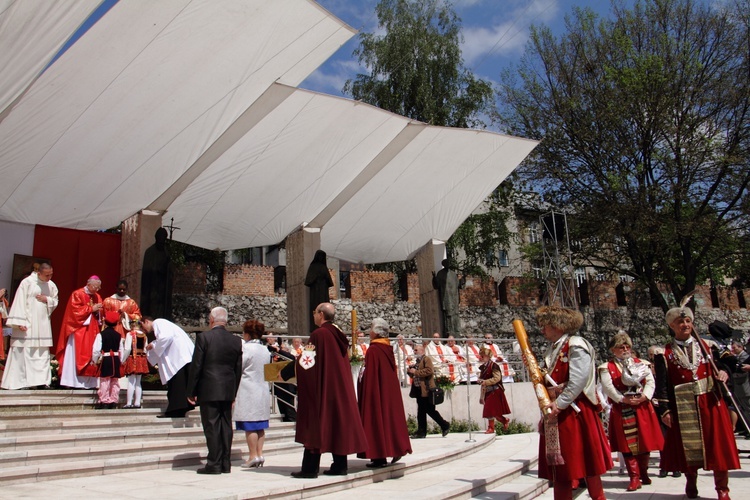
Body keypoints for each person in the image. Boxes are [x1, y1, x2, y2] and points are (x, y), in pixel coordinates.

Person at [653, 305, 739, 500]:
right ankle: (691, 482)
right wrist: (665, 410)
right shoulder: (664, 353)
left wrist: (724, 373)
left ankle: (722, 490)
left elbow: (725, 367)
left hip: (709, 402)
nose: (685, 325)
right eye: (680, 322)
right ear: (672, 326)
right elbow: (663, 384)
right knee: (687, 448)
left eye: (688, 321)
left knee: (717, 446)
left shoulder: (708, 347)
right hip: (683, 405)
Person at [280, 302, 366, 478]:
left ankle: (310, 469)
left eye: (314, 312)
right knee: (337, 425)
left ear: (320, 314)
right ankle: (340, 466)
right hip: (339, 387)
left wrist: (285, 372)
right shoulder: (339, 334)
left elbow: (306, 361)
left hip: (323, 388)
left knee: (315, 423)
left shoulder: (319, 334)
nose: (313, 316)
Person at [535, 305, 612, 500]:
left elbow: (578, 380)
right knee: (561, 469)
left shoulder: (576, 344)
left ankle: (599, 497)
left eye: (545, 325)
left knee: (587, 462)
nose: (542, 330)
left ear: (558, 325)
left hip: (575, 411)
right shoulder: (553, 348)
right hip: (557, 411)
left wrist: (560, 403)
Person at [598, 331, 664, 491]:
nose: (625, 349)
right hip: (623, 406)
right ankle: (634, 477)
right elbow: (608, 387)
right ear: (613, 349)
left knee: (645, 441)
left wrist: (644, 396)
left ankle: (643, 472)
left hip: (642, 406)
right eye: (621, 347)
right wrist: (623, 399)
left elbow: (650, 381)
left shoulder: (641, 363)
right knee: (627, 444)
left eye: (627, 346)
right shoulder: (607, 367)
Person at [186, 307, 242, 474]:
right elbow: (237, 369)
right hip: (227, 389)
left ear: (211, 320)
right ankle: (226, 462)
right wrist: (234, 392)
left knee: (211, 425)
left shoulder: (204, 337)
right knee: (226, 425)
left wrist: (191, 390)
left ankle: (214, 463)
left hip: (209, 387)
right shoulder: (235, 340)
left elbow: (197, 366)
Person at [357, 318, 412, 467]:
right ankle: (394, 448)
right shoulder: (387, 348)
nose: (369, 332)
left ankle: (378, 455)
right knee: (389, 418)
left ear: (375, 332)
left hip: (376, 391)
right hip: (388, 389)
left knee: (376, 419)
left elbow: (371, 373)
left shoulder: (374, 349)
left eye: (371, 329)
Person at [1, 264, 58, 389]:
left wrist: (47, 299)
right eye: (47, 275)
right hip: (28, 325)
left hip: (42, 326)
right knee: (23, 352)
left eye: (51, 274)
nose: (49, 277)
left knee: (41, 353)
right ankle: (21, 382)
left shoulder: (51, 285)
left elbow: (55, 300)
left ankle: (41, 382)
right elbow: (19, 301)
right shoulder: (27, 283)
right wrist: (19, 322)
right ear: (39, 273)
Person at [234, 319, 271, 469]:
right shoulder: (265, 350)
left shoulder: (246, 349)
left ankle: (252, 455)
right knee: (260, 425)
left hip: (248, 388)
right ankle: (260, 453)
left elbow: (239, 367)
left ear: (247, 334)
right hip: (262, 387)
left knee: (250, 424)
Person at [142, 316, 195, 418]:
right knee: (180, 384)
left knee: (176, 384)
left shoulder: (158, 322)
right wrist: (154, 345)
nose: (144, 330)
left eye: (143, 326)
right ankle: (180, 409)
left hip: (178, 358)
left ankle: (174, 411)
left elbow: (166, 337)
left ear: (146, 321)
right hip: (181, 357)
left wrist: (153, 345)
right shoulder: (166, 324)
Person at [56, 275, 103, 389]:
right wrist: (91, 309)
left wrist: (99, 312)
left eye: (99, 287)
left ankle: (89, 383)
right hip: (79, 330)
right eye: (95, 287)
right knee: (76, 354)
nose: (97, 290)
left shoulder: (97, 296)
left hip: (93, 330)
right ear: (88, 284)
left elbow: (100, 313)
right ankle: (72, 381)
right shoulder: (77, 294)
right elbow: (74, 313)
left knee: (93, 352)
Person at [407, 343, 451, 439]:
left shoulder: (426, 359)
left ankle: (444, 425)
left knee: (430, 410)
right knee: (421, 411)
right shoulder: (418, 362)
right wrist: (410, 372)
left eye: (416, 350)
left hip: (427, 390)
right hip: (419, 390)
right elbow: (415, 375)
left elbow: (429, 371)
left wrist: (416, 372)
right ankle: (421, 431)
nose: (414, 352)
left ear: (422, 351)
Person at [91, 311, 124, 409]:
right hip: (116, 359)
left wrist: (94, 360)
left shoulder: (101, 334)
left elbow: (96, 350)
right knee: (114, 380)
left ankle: (104, 400)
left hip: (106, 358)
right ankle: (113, 400)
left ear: (105, 322)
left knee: (105, 380)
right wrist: (121, 360)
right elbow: (121, 349)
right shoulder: (118, 336)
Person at [140, 227, 173, 320]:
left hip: (163, 289)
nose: (162, 241)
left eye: (163, 239)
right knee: (152, 311)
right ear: (156, 238)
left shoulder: (166, 252)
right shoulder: (150, 252)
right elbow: (148, 271)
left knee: (163, 312)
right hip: (152, 289)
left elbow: (170, 271)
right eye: (160, 238)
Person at [478, 346, 511, 433]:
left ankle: (491, 428)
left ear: (488, 357)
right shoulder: (483, 367)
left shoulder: (494, 366)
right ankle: (504, 420)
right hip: (487, 391)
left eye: (483, 356)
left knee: (490, 410)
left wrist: (486, 382)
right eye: (481, 355)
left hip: (495, 390)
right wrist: (480, 382)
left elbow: (497, 378)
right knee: (493, 411)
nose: (481, 357)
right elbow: (482, 379)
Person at [266, 334, 297, 422]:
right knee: (283, 410)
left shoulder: (288, 356)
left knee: (290, 411)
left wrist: (279, 351)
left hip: (288, 387)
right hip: (278, 386)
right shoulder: (276, 357)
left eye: (283, 349)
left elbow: (291, 358)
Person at [121, 319, 149, 408]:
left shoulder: (130, 334)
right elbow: (145, 349)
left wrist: (123, 359)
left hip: (133, 358)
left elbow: (128, 348)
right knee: (138, 382)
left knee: (131, 381)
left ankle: (129, 402)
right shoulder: (144, 335)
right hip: (141, 358)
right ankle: (137, 402)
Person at [304, 250, 333, 332]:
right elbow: (330, 282)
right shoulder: (324, 267)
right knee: (324, 310)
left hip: (315, 294)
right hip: (323, 293)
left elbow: (308, 281)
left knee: (316, 310)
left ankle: (314, 327)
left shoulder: (312, 266)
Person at [432, 259, 460, 335]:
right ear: (444, 264)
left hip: (454, 298)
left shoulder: (453, 274)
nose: (448, 264)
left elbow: (458, 285)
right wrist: (434, 278)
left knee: (455, 316)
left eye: (448, 263)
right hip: (446, 298)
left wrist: (462, 281)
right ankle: (449, 332)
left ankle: (456, 332)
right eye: (446, 263)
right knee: (448, 316)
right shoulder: (440, 274)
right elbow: (437, 286)